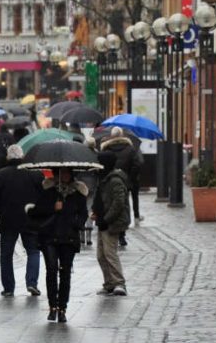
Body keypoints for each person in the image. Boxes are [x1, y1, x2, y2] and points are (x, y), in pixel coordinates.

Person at [29, 168, 88, 323]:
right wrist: (52, 208)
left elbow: (83, 214)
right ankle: (52, 307)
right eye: (61, 173)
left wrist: (75, 223)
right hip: (50, 236)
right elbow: (35, 212)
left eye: (67, 172)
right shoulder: (48, 191)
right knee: (51, 270)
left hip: (68, 237)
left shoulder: (78, 193)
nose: (65, 176)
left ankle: (63, 308)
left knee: (65, 272)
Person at [0, 145, 44, 297]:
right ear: (23, 156)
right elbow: (43, 197)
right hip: (30, 219)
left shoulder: (0, 175)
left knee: (6, 255)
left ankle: (8, 287)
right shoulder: (35, 174)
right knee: (33, 251)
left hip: (8, 220)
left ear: (8, 157)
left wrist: (0, 213)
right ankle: (32, 283)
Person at [92, 152, 129, 297]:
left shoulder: (115, 180)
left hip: (111, 222)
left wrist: (106, 219)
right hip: (102, 220)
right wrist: (95, 211)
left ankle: (119, 283)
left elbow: (119, 203)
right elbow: (99, 198)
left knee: (110, 253)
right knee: (101, 255)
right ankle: (109, 283)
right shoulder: (103, 178)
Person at [100, 127, 142, 246]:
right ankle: (122, 234)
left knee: (110, 204)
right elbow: (137, 164)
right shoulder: (130, 149)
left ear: (112, 136)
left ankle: (111, 230)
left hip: (109, 181)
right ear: (122, 135)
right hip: (125, 181)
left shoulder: (106, 147)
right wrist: (129, 178)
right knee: (122, 205)